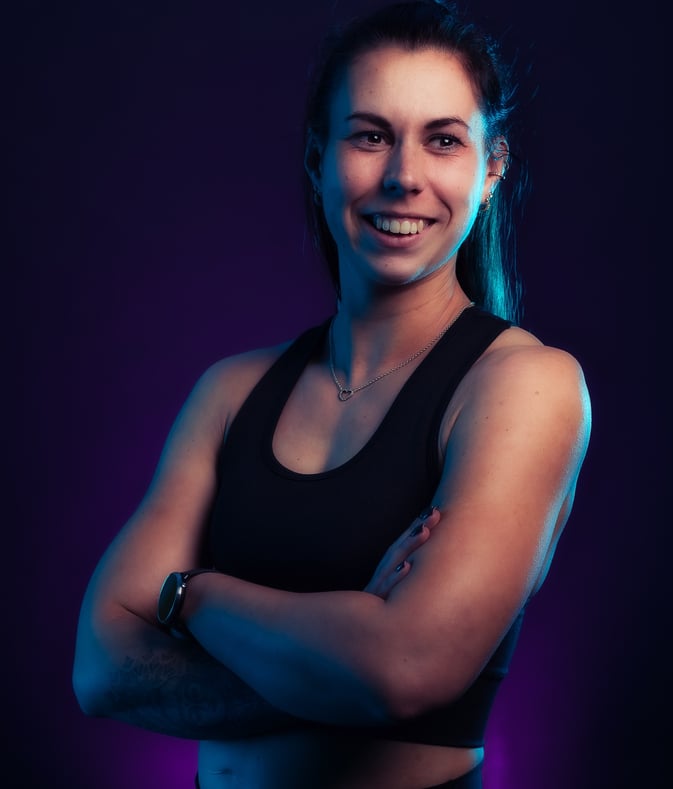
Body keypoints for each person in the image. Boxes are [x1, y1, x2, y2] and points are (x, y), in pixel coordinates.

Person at [72, 1, 591, 787]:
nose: (404, 176)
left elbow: (404, 669)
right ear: (319, 160)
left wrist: (193, 597)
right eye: (370, 136)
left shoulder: (522, 384)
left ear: (491, 171)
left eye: (443, 140)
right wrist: (338, 661)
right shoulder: (231, 391)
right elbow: (102, 667)